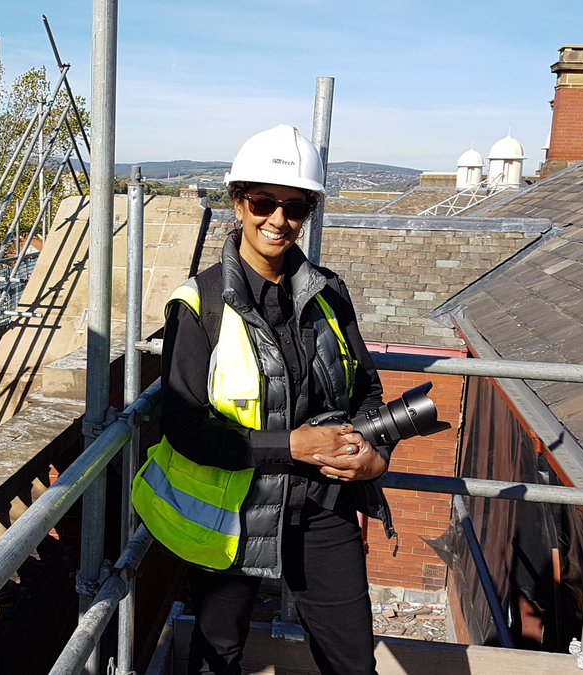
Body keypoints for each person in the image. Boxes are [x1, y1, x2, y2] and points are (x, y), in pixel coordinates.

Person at [132, 124, 394, 675]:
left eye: (294, 207)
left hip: (322, 509)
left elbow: (366, 390)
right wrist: (290, 445)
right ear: (237, 202)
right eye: (263, 202)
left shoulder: (329, 294)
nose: (278, 219)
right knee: (217, 655)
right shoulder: (198, 305)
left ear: (309, 213)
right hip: (235, 514)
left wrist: (375, 455)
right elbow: (184, 426)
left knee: (353, 661)